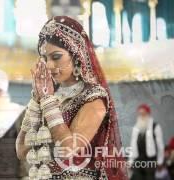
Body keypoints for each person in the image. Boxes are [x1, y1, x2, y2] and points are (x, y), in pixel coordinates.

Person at [16, 16, 128, 180]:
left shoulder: (94, 98)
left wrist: (47, 101)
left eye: (56, 57)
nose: (48, 66)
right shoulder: (49, 96)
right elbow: (21, 150)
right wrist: (36, 99)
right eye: (44, 58)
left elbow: (68, 149)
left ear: (76, 55)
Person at [129, 104, 165, 180]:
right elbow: (132, 146)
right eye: (140, 113)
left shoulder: (155, 126)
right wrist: (130, 161)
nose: (142, 115)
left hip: (150, 160)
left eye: (143, 113)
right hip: (138, 160)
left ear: (148, 114)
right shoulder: (136, 128)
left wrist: (160, 161)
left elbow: (160, 146)